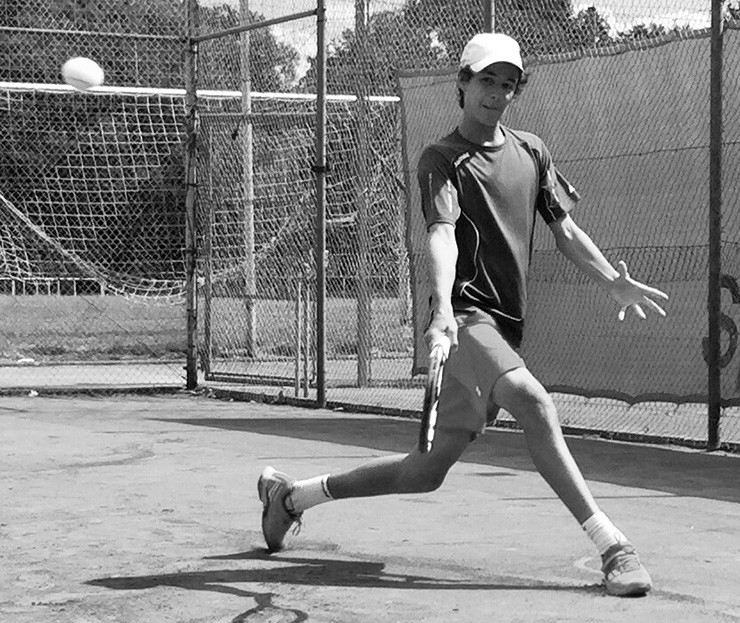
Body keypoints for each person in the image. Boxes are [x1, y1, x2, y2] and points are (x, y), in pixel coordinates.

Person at [257, 32, 668, 597]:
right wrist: (444, 309)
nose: (497, 93)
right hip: (468, 318)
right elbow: (442, 235)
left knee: (424, 473)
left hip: (504, 327)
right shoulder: (441, 159)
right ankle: (614, 548)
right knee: (535, 403)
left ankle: (292, 496)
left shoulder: (532, 151)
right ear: (462, 83)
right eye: (485, 81)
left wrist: (612, 283)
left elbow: (565, 229)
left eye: (507, 84)